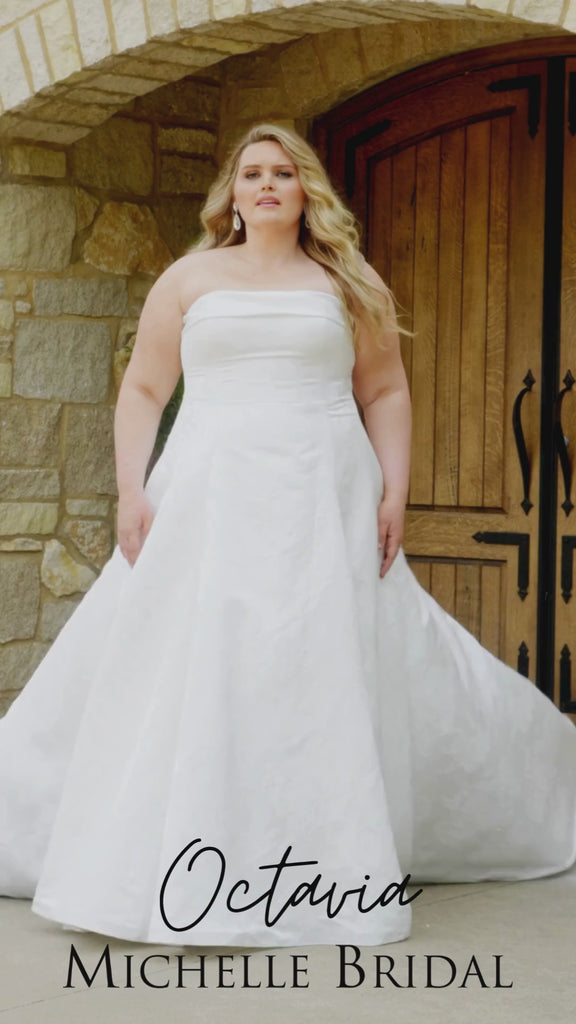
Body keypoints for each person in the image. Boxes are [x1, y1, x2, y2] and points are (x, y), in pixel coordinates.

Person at [0, 123, 575, 949]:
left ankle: (330, 860)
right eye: (251, 173)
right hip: (207, 495)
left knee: (317, 658)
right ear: (231, 195)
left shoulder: (347, 280)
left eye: (282, 173)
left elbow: (385, 392)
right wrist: (130, 489)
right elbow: (144, 388)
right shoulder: (189, 279)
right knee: (199, 657)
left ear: (307, 191)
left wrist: (395, 492)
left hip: (322, 494)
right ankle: (181, 856)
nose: (266, 184)